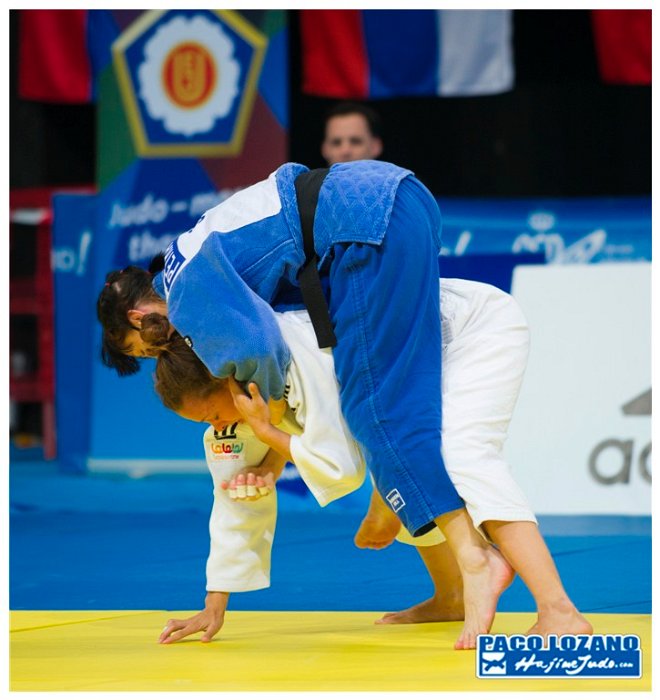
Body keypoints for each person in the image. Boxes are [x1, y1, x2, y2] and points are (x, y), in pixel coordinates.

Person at [94, 160, 520, 646]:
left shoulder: (193, 301)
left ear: (138, 316)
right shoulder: (206, 287)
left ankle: (476, 560)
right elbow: (235, 490)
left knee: (384, 423)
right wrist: (215, 601)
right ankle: (447, 579)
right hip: (390, 202)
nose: (159, 353)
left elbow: (267, 363)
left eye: (144, 349)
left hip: (363, 221)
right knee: (383, 433)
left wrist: (271, 427)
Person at [152, 280, 592, 647]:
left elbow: (344, 467)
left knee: (460, 454)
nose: (218, 427)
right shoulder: (239, 406)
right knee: (404, 472)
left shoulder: (300, 357)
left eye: (213, 415)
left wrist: (270, 437)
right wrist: (214, 604)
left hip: (468, 327)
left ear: (227, 377)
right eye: (207, 424)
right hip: (406, 365)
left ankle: (560, 611)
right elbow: (234, 502)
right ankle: (452, 595)